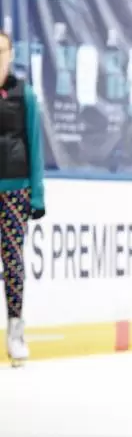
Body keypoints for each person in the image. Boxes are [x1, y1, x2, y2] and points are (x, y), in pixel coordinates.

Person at [0, 32, 46, 367]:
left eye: (1, 50)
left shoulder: (24, 94)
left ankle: (16, 331)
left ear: (11, 53)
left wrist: (37, 194)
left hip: (16, 190)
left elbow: (35, 146)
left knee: (13, 260)